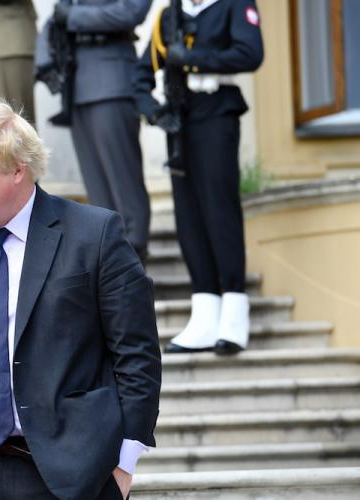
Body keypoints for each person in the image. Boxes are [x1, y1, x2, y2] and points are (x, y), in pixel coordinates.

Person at [0, 100, 161, 500]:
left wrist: (124, 463)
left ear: (17, 170)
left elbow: (137, 355)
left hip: (70, 474)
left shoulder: (94, 235)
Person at [133, 0, 264, 354]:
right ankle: (205, 306)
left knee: (219, 209)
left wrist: (193, 57)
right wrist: (154, 112)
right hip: (180, 119)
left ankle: (234, 307)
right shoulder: (168, 16)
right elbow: (141, 74)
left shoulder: (233, 6)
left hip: (217, 112)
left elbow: (251, 53)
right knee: (187, 215)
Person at [45, 0, 153, 263]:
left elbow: (131, 12)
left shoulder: (79, 16)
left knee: (122, 176)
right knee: (95, 181)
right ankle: (108, 250)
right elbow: (57, 15)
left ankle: (134, 248)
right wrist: (45, 60)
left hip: (112, 75)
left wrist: (74, 16)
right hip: (78, 80)